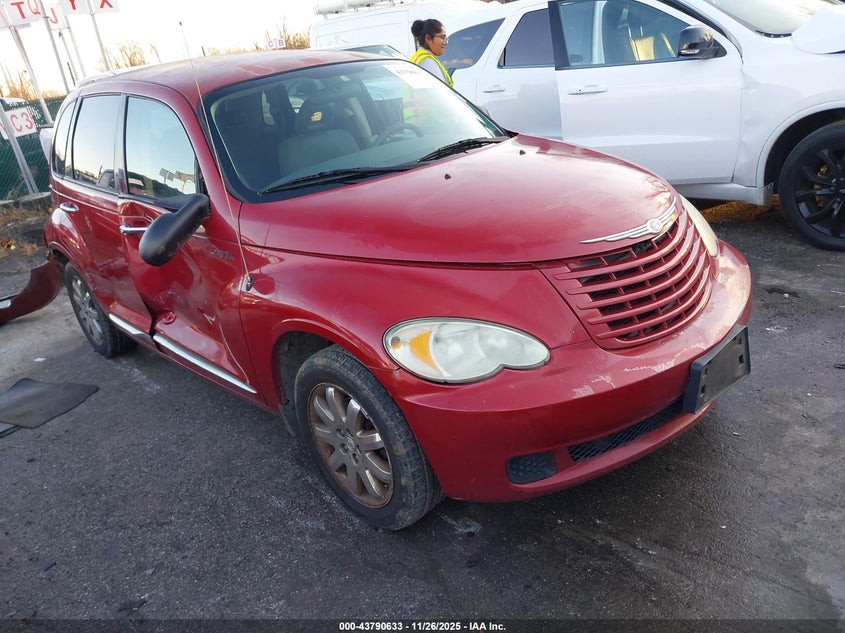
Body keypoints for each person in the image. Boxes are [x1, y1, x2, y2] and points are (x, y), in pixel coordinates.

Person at [409, 19, 453, 87]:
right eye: (442, 38)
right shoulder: (427, 62)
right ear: (428, 38)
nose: (445, 42)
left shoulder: (420, 57)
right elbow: (439, 92)